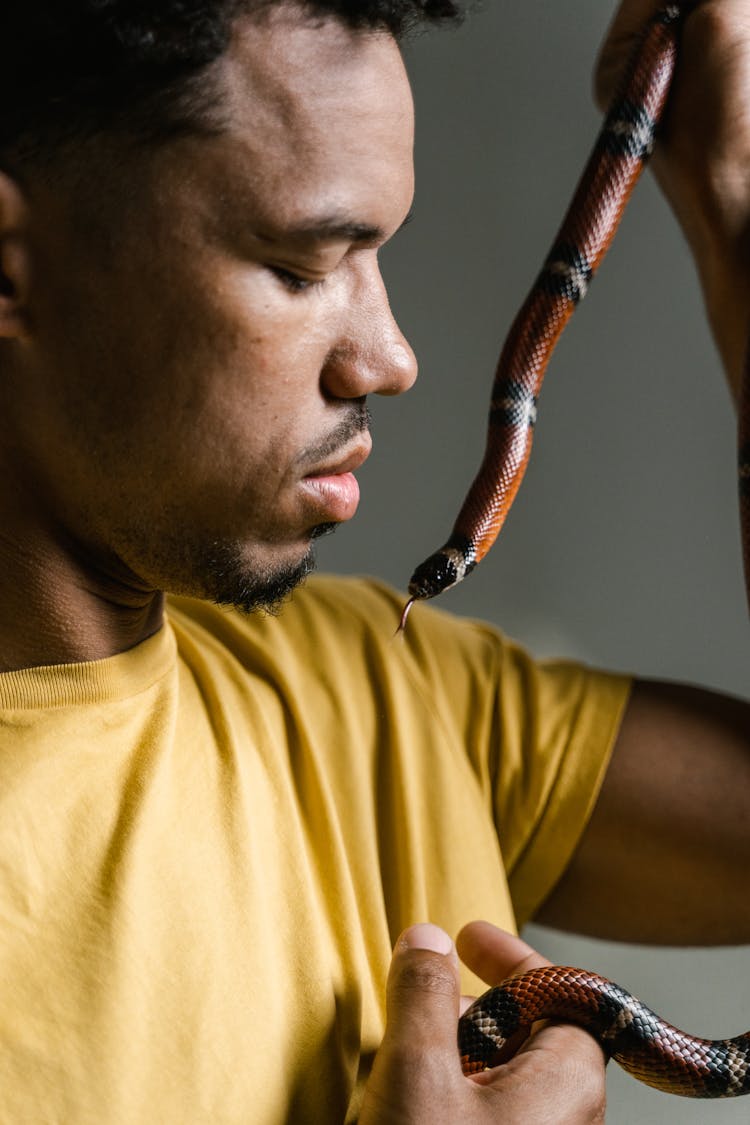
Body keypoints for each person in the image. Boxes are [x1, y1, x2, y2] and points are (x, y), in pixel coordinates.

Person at [0, 1, 746, 1122]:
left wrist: (733, 203)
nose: (392, 359)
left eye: (380, 255)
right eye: (301, 268)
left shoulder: (385, 689)